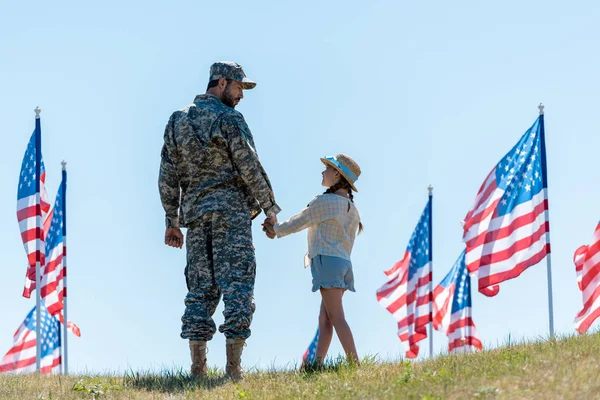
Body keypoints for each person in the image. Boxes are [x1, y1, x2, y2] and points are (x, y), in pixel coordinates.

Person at [158, 61, 280, 380]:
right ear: (222, 82)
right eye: (239, 87)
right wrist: (269, 208)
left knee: (199, 289)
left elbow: (168, 174)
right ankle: (233, 370)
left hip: (197, 218)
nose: (241, 95)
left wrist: (171, 219)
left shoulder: (178, 120)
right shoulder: (229, 118)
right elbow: (248, 164)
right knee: (238, 285)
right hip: (231, 213)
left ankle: (197, 371)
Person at [262, 154, 362, 365]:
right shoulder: (352, 209)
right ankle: (315, 365)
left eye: (326, 168)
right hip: (343, 264)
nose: (322, 172)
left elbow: (301, 220)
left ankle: (355, 364)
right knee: (326, 318)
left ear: (337, 174)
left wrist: (276, 229)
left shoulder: (326, 202)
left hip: (328, 262)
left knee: (336, 318)